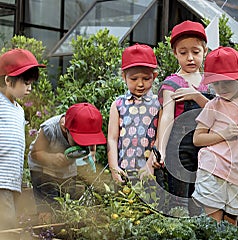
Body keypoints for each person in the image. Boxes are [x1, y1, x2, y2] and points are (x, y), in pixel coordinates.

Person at [155, 20, 212, 215]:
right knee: (179, 202)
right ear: (174, 53)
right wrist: (161, 150)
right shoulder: (172, 83)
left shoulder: (209, 84)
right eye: (183, 52)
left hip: (206, 150)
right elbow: (167, 117)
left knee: (201, 201)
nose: (190, 58)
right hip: (178, 150)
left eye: (195, 52)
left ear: (205, 51)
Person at [191, 47, 238, 225]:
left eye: (226, 81)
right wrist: (223, 134)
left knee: (231, 224)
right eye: (216, 83)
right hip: (213, 168)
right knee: (213, 222)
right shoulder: (213, 106)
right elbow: (197, 139)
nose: (221, 88)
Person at [28, 102, 107, 211]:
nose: (82, 146)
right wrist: (51, 158)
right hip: (43, 170)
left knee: (69, 203)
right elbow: (35, 153)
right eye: (79, 141)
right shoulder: (50, 129)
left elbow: (92, 145)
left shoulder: (85, 127)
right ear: (65, 129)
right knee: (48, 205)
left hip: (67, 169)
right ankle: (46, 227)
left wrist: (92, 153)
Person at [0, 48, 45, 228]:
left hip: (12, 181)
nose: (30, 88)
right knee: (7, 229)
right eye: (26, 83)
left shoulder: (18, 110)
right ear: (8, 80)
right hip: (0, 180)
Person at [107, 44, 160, 185]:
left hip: (150, 170)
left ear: (154, 76)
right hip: (124, 170)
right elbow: (112, 138)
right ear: (124, 76)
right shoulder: (118, 105)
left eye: (146, 78)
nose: (140, 84)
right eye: (134, 79)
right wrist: (114, 169)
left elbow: (161, 137)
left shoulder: (158, 104)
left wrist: (150, 164)